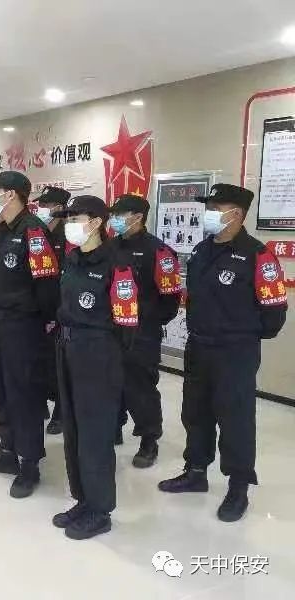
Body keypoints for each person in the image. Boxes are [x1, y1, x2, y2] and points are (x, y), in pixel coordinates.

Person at [159, 183, 288, 522]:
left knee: (235, 419)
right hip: (198, 346)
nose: (209, 213)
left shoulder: (258, 255)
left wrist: (241, 334)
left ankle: (238, 486)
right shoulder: (201, 250)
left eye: (216, 208)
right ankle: (195, 471)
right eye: (209, 207)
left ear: (237, 214)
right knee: (195, 412)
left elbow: (274, 311)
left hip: (235, 352)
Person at [51, 195, 140, 540]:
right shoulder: (72, 258)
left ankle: (100, 510)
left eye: (76, 218)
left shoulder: (117, 264)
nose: (70, 224)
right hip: (68, 348)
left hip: (98, 353)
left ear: (97, 223)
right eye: (68, 217)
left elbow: (127, 324)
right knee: (74, 429)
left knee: (96, 433)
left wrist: (104, 352)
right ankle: (83, 499)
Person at [0, 172, 61, 498]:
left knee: (24, 395)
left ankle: (29, 464)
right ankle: (8, 451)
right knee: (1, 391)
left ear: (11, 195)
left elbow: (47, 286)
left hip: (22, 327)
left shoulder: (33, 232)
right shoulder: (3, 231)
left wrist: (40, 323)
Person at [109, 194, 182, 468]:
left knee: (141, 388)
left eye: (120, 214)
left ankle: (149, 439)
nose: (114, 220)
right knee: (111, 383)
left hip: (142, 333)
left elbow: (170, 297)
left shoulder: (159, 251)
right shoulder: (109, 246)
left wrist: (147, 320)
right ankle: (113, 428)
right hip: (111, 330)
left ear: (138, 217)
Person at [34, 186, 72, 435]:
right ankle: (42, 405)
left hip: (61, 312)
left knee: (60, 367)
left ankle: (60, 411)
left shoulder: (68, 238)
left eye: (46, 206)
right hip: (41, 309)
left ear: (59, 208)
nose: (41, 210)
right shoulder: (40, 233)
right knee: (42, 362)